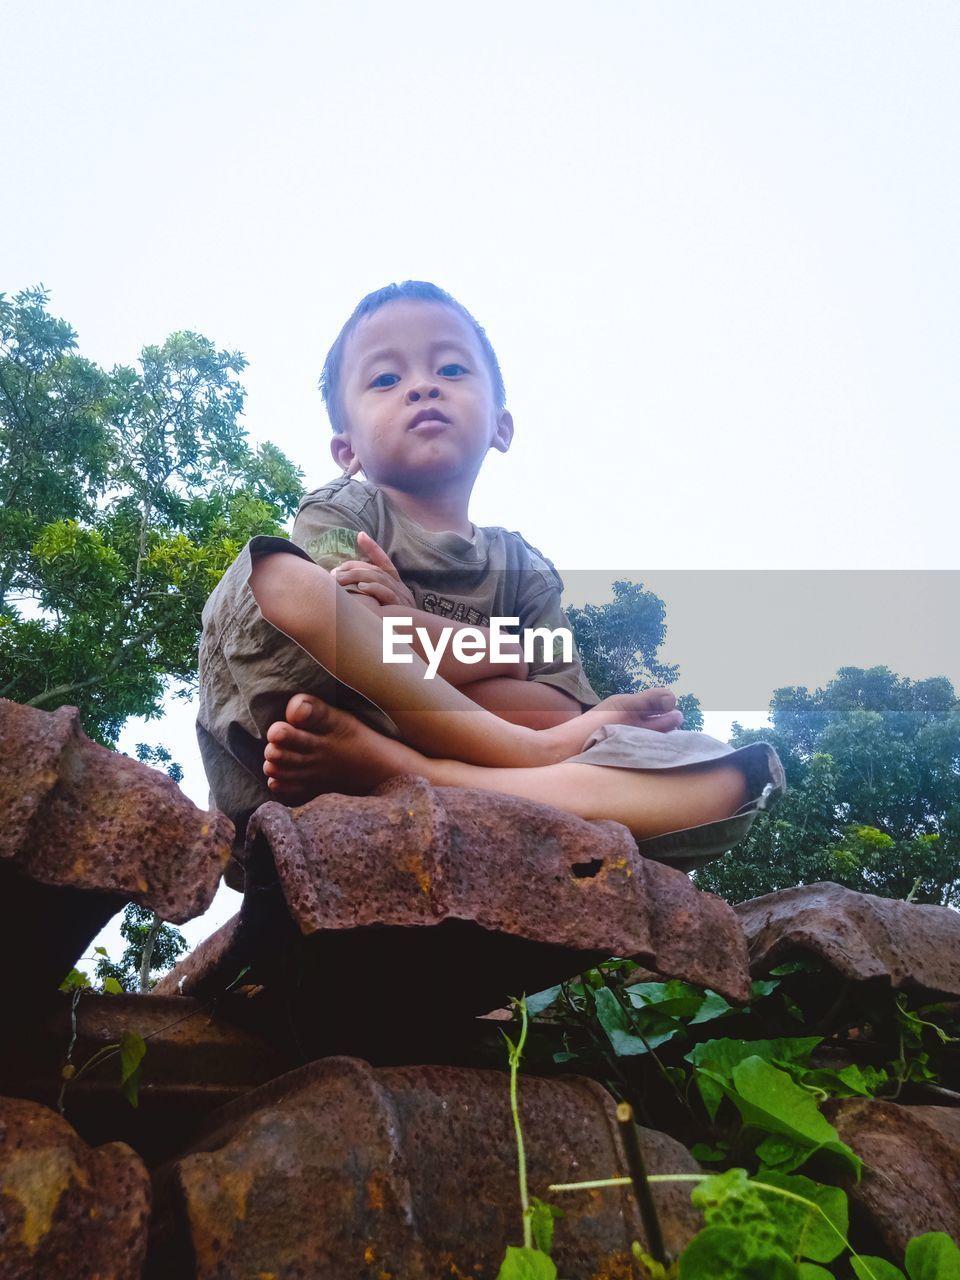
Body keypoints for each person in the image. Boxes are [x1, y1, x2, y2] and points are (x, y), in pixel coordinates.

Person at [197, 281, 783, 869]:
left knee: (725, 778)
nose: (423, 386)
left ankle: (423, 774)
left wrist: (403, 631)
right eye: (384, 379)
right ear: (345, 449)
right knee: (275, 577)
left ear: (502, 426)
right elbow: (330, 635)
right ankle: (516, 758)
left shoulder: (524, 569)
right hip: (311, 762)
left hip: (459, 780)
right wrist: (505, 654)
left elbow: (556, 711)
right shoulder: (340, 511)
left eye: (451, 369)